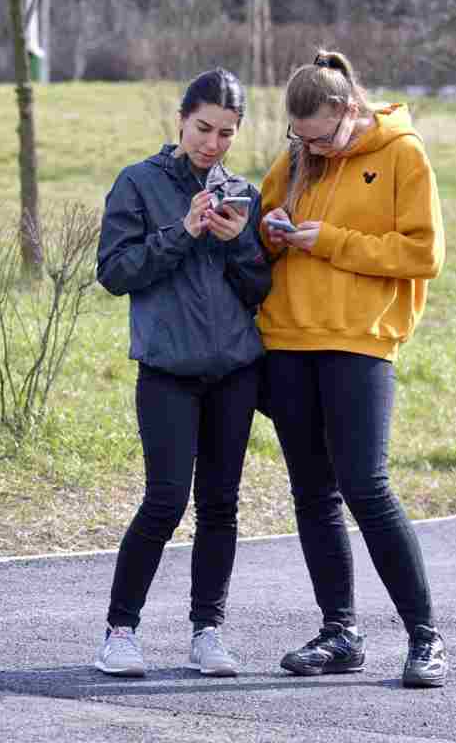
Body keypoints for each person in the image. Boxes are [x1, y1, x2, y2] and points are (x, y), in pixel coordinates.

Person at [257, 49, 449, 688]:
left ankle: (425, 638)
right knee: (312, 494)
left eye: (318, 134)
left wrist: (330, 241)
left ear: (346, 110)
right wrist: (272, 229)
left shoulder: (402, 154)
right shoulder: (298, 158)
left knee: (366, 487)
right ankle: (339, 632)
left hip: (361, 340)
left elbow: (423, 253)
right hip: (288, 339)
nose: (309, 146)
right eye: (298, 136)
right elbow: (262, 225)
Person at [94, 68, 272, 678]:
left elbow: (259, 287)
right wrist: (184, 230)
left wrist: (236, 242)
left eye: (226, 133)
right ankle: (120, 631)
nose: (213, 144)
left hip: (234, 371)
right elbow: (116, 272)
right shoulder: (138, 183)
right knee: (165, 500)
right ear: (180, 120)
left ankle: (208, 632)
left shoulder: (242, 191)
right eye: (203, 128)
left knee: (221, 505)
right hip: (167, 368)